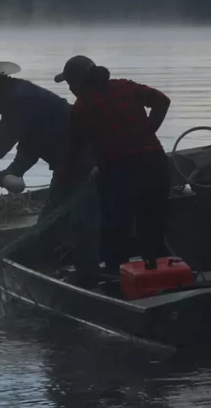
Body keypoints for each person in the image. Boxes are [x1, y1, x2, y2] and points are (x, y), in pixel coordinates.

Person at [56, 55, 172, 278]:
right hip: (155, 165)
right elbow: (162, 100)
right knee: (153, 227)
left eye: (70, 84)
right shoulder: (126, 87)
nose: (70, 89)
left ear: (80, 82)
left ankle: (116, 281)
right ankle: (161, 276)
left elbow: (75, 150)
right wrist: (148, 131)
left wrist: (64, 180)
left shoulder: (82, 107)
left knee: (115, 230)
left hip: (119, 172)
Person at [0, 55, 90, 211]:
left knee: (59, 212)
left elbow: (2, 141)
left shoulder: (18, 99)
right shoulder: (18, 94)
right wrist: (15, 170)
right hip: (73, 162)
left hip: (82, 161)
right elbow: (33, 142)